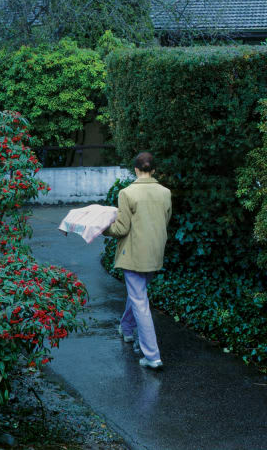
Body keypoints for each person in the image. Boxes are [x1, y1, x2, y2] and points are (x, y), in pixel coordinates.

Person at [105, 151, 171, 369]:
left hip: (133, 254)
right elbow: (164, 221)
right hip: (155, 253)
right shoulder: (165, 192)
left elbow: (121, 228)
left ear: (135, 169)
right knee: (138, 292)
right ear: (153, 170)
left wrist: (103, 227)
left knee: (140, 301)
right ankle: (126, 328)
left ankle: (152, 356)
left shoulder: (127, 193)